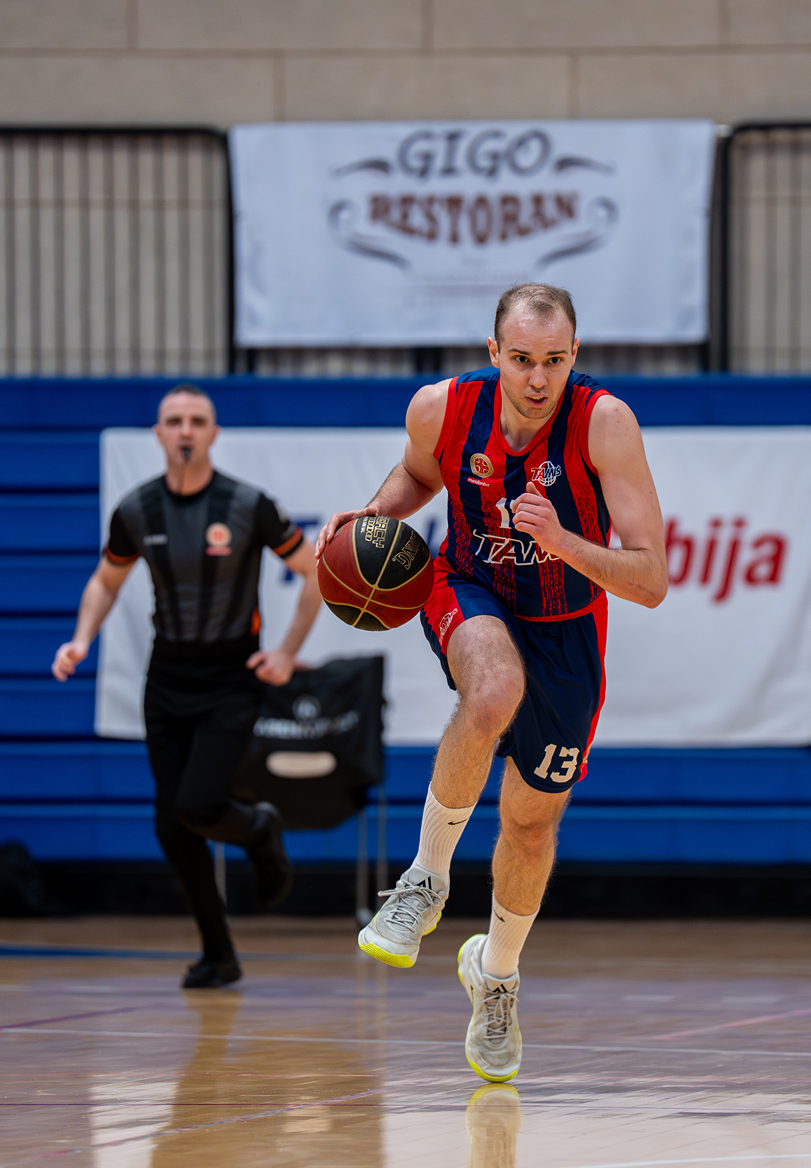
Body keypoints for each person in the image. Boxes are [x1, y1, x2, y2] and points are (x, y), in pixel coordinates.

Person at [316, 283, 667, 1082]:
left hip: (567, 626)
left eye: (554, 360)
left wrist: (562, 540)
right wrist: (371, 514)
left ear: (574, 356)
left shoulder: (605, 424)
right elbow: (415, 478)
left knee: (530, 826)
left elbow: (650, 581)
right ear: (492, 353)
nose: (537, 378)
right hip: (469, 586)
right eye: (521, 359)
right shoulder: (441, 409)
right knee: (490, 691)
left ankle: (495, 974)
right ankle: (422, 882)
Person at [53, 385, 322, 989]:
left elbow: (312, 572)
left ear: (212, 433)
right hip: (167, 678)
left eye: (197, 421)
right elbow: (105, 581)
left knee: (196, 806)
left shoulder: (248, 504)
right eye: (174, 421)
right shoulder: (136, 509)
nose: (185, 430)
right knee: (171, 827)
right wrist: (80, 638)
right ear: (158, 434)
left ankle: (260, 828)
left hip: (231, 679)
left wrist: (285, 653)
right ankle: (219, 954)